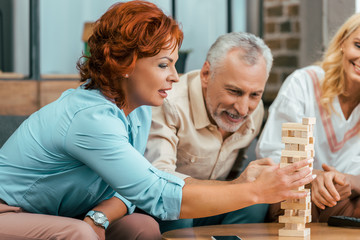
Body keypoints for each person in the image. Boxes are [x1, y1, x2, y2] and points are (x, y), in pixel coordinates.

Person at [0, 1, 315, 240]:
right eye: (164, 64)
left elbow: (132, 185)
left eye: (174, 64)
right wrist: (257, 190)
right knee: (78, 235)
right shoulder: (90, 118)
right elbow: (156, 191)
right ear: (125, 64)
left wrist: (98, 217)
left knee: (142, 226)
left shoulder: (138, 109)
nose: (175, 77)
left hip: (67, 213)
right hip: (10, 211)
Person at [145, 32, 274, 232]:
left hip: (212, 207)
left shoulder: (253, 111)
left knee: (256, 203)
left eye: (255, 94)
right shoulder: (169, 104)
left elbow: (235, 170)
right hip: (166, 207)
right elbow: (161, 184)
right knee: (177, 208)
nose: (243, 108)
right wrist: (238, 188)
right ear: (206, 74)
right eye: (234, 91)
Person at [256, 12, 360, 222]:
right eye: (358, 45)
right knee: (295, 197)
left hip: (348, 202)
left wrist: (348, 180)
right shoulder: (304, 83)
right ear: (342, 43)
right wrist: (314, 177)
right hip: (297, 198)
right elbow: (271, 155)